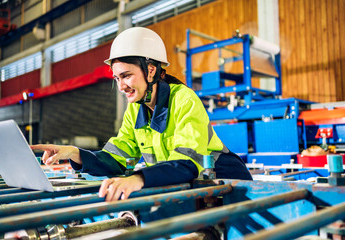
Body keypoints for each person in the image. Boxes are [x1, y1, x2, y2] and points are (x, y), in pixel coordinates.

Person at [31, 27, 252, 202]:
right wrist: (74, 153)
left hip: (231, 185)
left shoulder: (184, 99)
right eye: (117, 78)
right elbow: (117, 158)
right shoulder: (135, 110)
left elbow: (186, 161)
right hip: (187, 187)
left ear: (151, 70)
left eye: (126, 76)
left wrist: (139, 178)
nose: (121, 86)